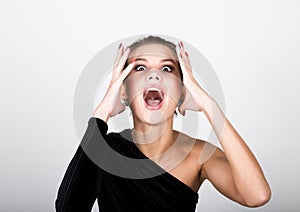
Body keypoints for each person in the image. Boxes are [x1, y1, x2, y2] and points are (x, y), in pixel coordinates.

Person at [55, 36, 271, 211]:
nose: (154, 76)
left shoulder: (200, 155)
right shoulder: (106, 149)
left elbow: (257, 195)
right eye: (140, 68)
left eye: (167, 69)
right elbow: (68, 208)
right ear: (123, 90)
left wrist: (209, 105)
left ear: (182, 92)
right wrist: (102, 113)